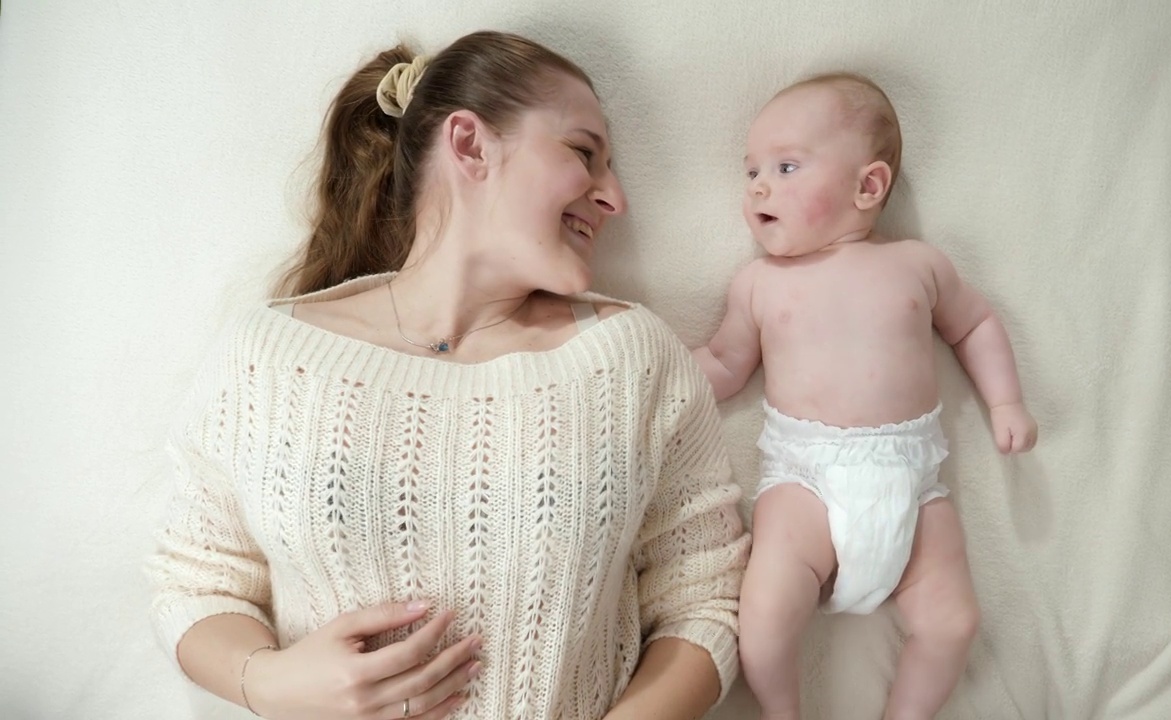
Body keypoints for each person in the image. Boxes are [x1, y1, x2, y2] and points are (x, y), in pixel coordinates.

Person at [147, 30, 749, 720]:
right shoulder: (269, 356)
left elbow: (704, 596)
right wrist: (265, 681)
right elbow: (196, 579)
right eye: (584, 153)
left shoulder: (629, 358)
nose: (614, 197)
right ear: (468, 144)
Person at [692, 73, 1038, 720]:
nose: (759, 186)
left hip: (912, 477)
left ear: (868, 186)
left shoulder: (918, 264)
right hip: (805, 478)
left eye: (786, 166)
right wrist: (656, 371)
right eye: (751, 172)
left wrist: (1006, 403)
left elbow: (975, 325)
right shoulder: (759, 284)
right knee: (763, 619)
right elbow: (722, 363)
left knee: (953, 624)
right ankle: (782, 711)